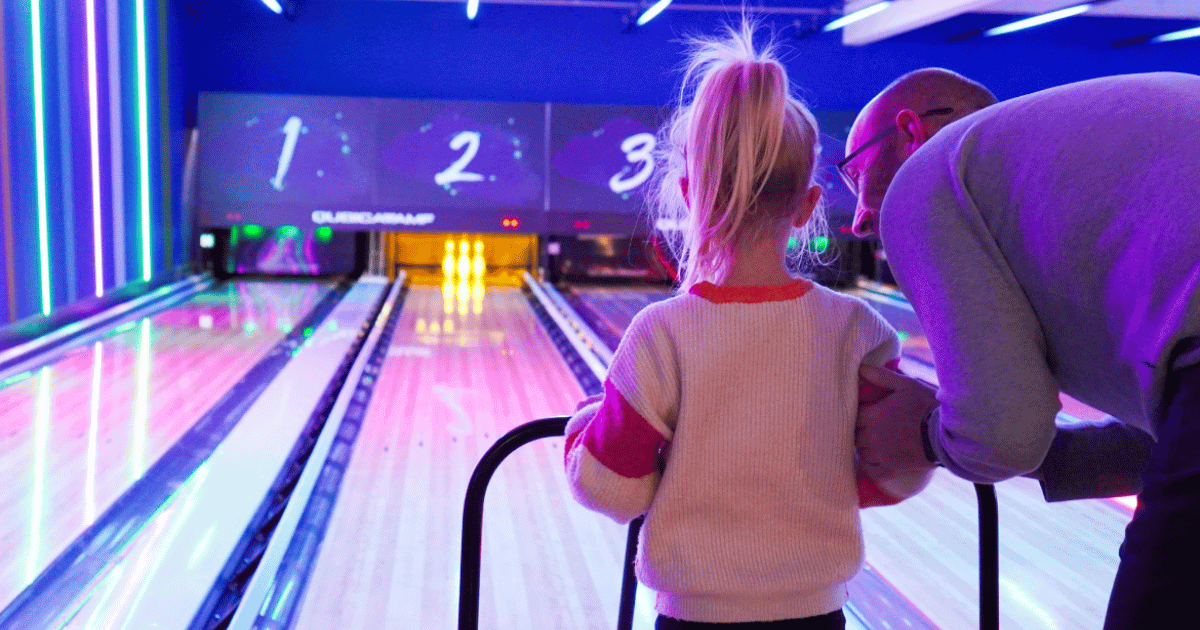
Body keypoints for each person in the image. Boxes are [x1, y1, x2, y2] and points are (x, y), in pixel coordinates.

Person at [562, 22, 933, 630]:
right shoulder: (859, 331)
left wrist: (583, 431)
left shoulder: (662, 333)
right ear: (809, 207)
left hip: (693, 620)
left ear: (689, 194)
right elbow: (894, 469)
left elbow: (613, 490)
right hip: (817, 617)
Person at [843, 68, 1200, 629]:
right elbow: (1170, 440)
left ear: (910, 132)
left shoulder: (925, 179)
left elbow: (1004, 435)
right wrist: (1041, 452)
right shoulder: (1067, 164)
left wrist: (924, 435)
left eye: (856, 173)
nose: (861, 219)